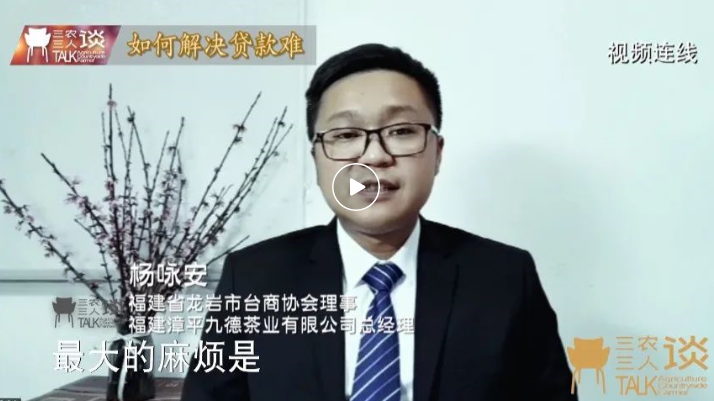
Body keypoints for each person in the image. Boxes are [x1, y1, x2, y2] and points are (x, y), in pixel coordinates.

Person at [180, 43, 577, 401]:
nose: (374, 156)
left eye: (401, 131)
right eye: (346, 134)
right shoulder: (253, 278)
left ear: (437, 153)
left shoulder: (506, 278)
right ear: (317, 158)